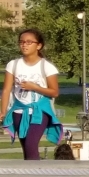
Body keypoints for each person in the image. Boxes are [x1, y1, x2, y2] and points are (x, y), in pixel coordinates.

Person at [1, 29, 64, 161]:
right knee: (26, 148)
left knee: (31, 144)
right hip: (19, 111)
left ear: (39, 45)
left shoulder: (46, 66)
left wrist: (34, 87)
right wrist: (3, 111)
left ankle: (36, 172)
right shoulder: (13, 65)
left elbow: (54, 92)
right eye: (22, 42)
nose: (24, 45)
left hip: (39, 111)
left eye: (29, 42)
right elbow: (6, 90)